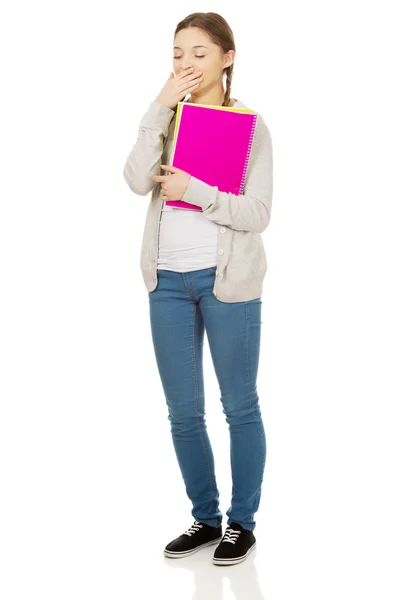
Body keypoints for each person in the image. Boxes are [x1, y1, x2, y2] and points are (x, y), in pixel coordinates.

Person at [123, 12, 273, 566]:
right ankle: (205, 518)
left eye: (200, 53)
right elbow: (137, 179)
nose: (186, 64)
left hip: (226, 282)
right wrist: (158, 107)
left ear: (226, 58)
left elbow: (257, 213)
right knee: (183, 412)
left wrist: (198, 189)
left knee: (239, 406)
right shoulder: (166, 120)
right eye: (177, 53)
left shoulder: (250, 127)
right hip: (166, 282)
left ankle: (242, 523)